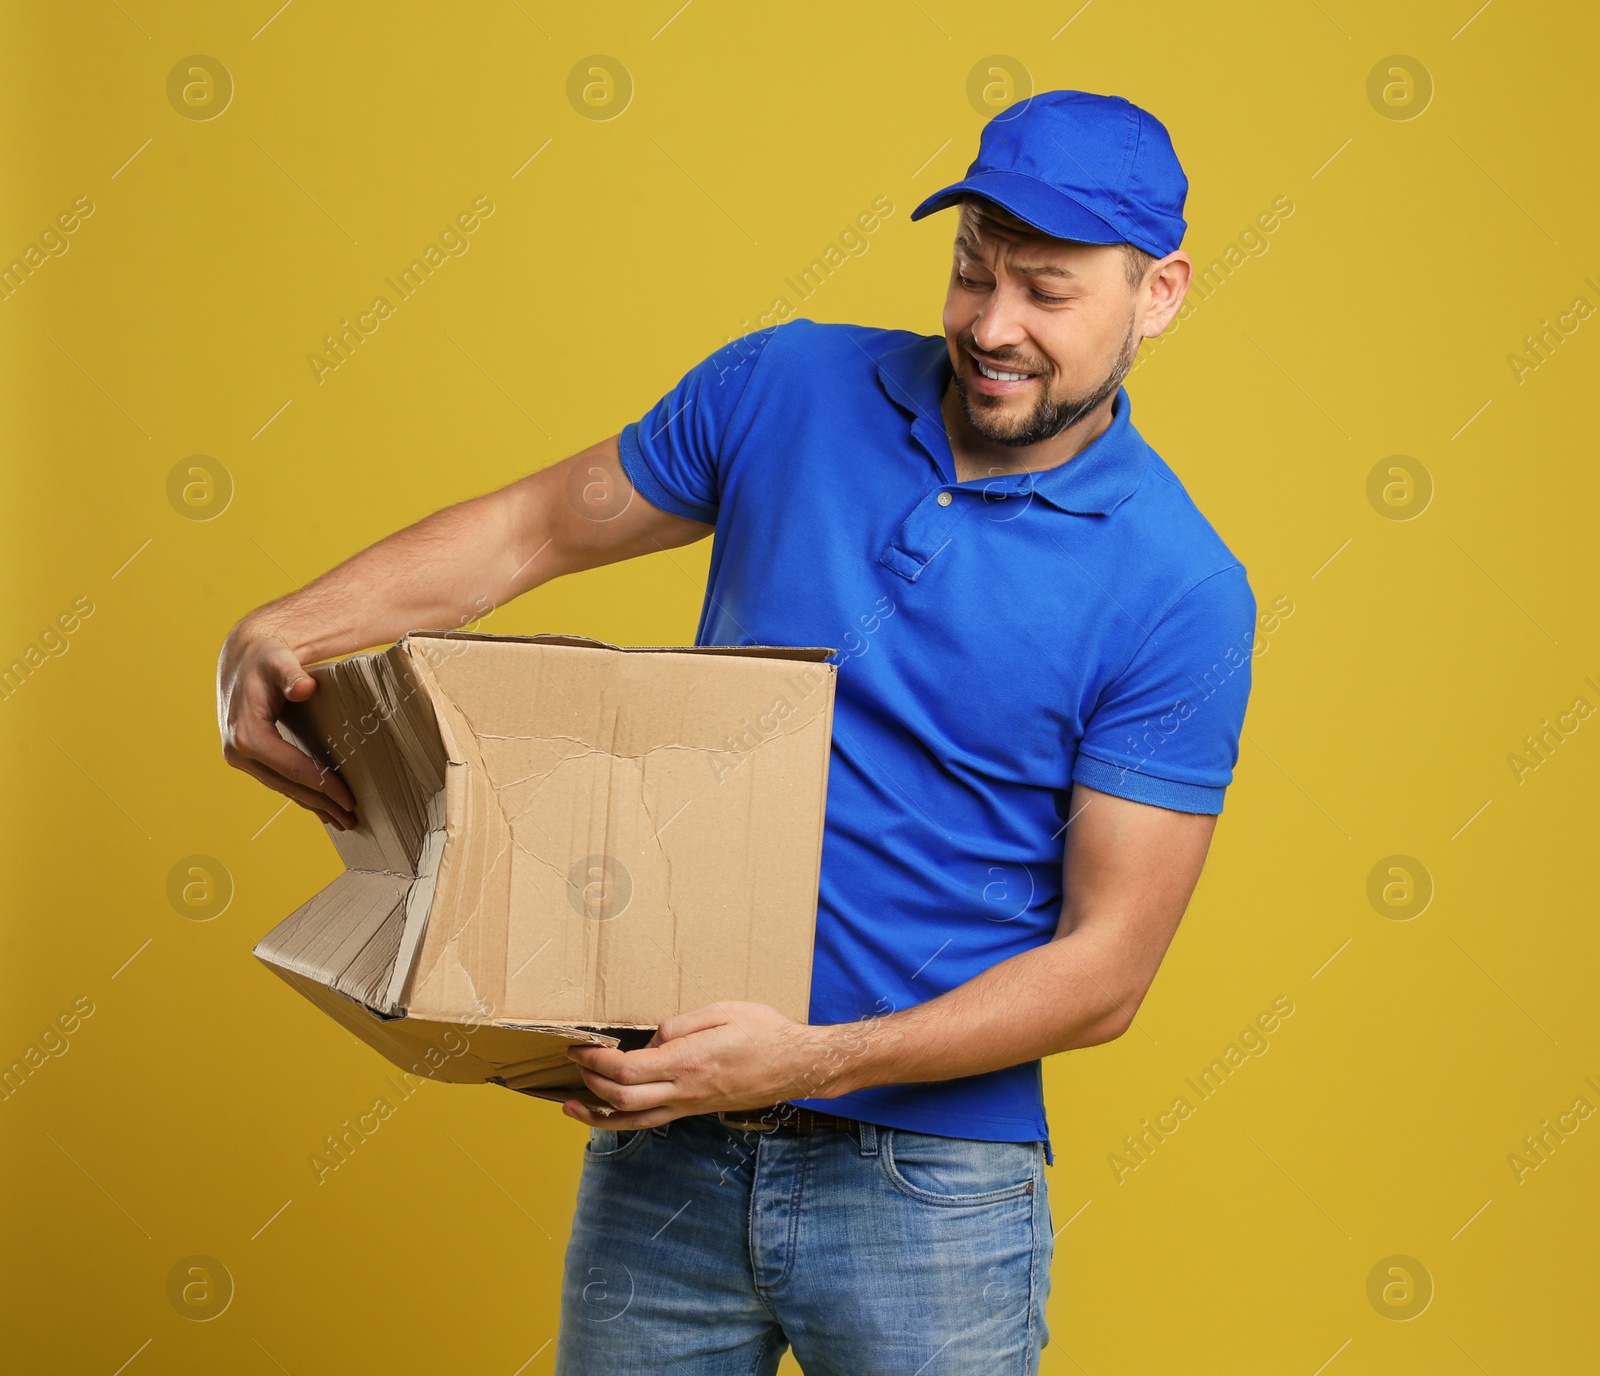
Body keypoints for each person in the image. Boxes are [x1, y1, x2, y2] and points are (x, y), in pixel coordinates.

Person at [216, 89, 1255, 1374]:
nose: (992, 327)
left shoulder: (1179, 588)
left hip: (928, 1192)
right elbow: (534, 527)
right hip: (666, 1147)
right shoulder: (784, 387)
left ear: (1157, 293)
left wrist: (809, 1056)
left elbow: (1108, 970)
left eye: (1046, 293)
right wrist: (290, 623)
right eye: (971, 273)